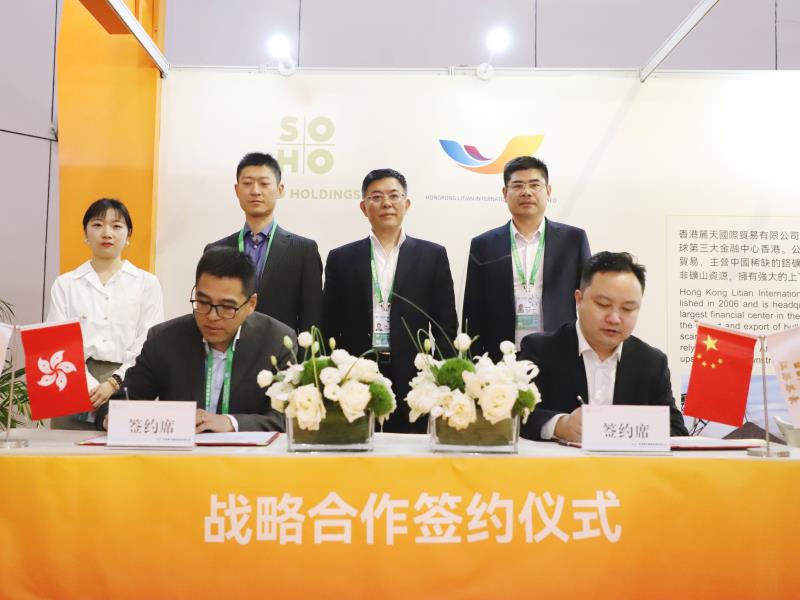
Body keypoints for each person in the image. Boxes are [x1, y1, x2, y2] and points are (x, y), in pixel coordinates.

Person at [95, 248, 295, 432]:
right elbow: (120, 403)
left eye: (227, 307)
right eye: (203, 302)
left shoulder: (277, 341)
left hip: (247, 458)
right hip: (179, 456)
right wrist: (111, 419)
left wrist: (231, 422)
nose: (212, 316)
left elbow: (289, 418)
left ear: (251, 304)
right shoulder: (164, 339)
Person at [323, 168, 458, 433]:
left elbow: (446, 326)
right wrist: (335, 375)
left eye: (394, 195)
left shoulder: (432, 255)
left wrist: (438, 378)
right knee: (358, 445)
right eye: (376, 197)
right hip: (356, 375)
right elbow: (329, 323)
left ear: (407, 204)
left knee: (410, 450)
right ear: (364, 207)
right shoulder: (341, 258)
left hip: (415, 379)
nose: (386, 203)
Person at [519, 251, 689, 441]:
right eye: (603, 304)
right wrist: (560, 425)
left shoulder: (651, 363)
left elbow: (676, 430)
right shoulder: (540, 350)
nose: (614, 318)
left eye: (628, 308)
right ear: (579, 299)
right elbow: (517, 415)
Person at [47, 198, 164, 429]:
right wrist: (90, 387)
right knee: (66, 449)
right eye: (98, 225)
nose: (107, 233)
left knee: (121, 450)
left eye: (116, 226)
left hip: (130, 383)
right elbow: (57, 343)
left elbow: (149, 342)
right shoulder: (65, 284)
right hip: (72, 382)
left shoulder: (147, 284)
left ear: (128, 236)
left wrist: (113, 382)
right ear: (85, 234)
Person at [462, 156, 590, 361]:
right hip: (501, 358)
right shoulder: (483, 245)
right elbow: (472, 312)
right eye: (517, 185)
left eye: (535, 185)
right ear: (505, 193)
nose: (526, 192)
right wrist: (474, 362)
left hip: (560, 355)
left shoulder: (573, 240)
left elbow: (588, 301)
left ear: (548, 191)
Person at [205, 152, 323, 333]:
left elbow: (311, 322)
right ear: (237, 190)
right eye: (247, 183)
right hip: (228, 348)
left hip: (281, 349)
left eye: (264, 183)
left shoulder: (304, 251)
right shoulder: (215, 251)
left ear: (280, 189)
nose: (255, 191)